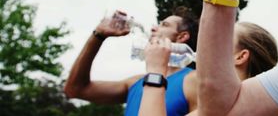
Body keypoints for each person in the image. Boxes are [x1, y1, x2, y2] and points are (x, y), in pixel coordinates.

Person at [64, 7, 199, 116]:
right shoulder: (135, 82)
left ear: (182, 36)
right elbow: (75, 89)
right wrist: (98, 35)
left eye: (164, 25)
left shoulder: (193, 81)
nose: (153, 28)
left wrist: (155, 74)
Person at [138, 22, 278, 116]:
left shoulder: (228, 109)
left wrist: (155, 72)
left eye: (222, 37)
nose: (208, 41)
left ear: (240, 57)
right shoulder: (226, 105)